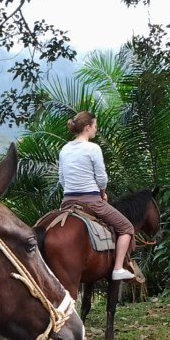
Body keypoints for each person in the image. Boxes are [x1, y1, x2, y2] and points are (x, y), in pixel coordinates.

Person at [57, 111, 135, 281]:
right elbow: (101, 178)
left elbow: (61, 178)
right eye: (95, 127)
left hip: (67, 202)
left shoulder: (64, 149)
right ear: (87, 127)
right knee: (126, 228)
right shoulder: (93, 148)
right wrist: (102, 193)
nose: (96, 130)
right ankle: (118, 268)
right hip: (91, 201)